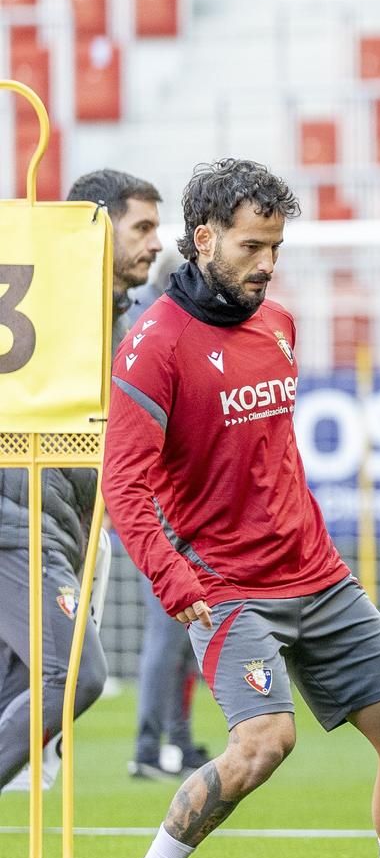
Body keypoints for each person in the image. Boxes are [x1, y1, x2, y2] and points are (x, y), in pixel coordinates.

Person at [101, 159, 380, 858]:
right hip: (225, 584)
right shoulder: (154, 346)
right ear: (205, 238)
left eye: (276, 247)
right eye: (252, 246)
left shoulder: (278, 324)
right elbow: (124, 484)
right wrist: (172, 578)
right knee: (265, 741)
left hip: (317, 572)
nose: (267, 263)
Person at [0, 169, 160, 794]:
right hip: (21, 524)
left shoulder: (118, 321)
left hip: (61, 529)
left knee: (22, 690)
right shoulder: (51, 302)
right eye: (141, 227)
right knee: (73, 677)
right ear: (96, 226)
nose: (155, 243)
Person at [126, 248, 209, 781]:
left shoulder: (164, 333)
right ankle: (145, 748)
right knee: (166, 631)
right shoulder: (152, 337)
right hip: (156, 508)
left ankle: (176, 740)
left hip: (174, 505)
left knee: (182, 633)